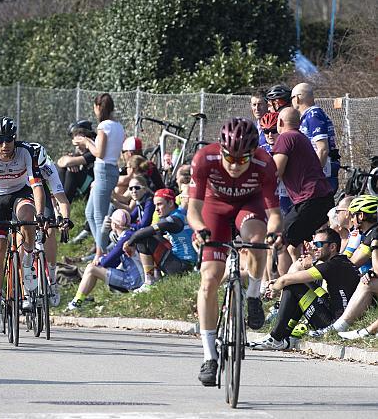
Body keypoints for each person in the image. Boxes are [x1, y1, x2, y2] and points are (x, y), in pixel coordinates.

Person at [187, 117, 282, 387]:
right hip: (213, 207)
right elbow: (193, 210)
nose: (235, 165)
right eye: (230, 158)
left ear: (254, 153)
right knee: (209, 280)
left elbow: (274, 214)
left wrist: (275, 232)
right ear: (222, 150)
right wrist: (200, 230)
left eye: (243, 160)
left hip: (248, 205)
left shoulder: (265, 164)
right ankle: (209, 357)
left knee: (256, 238)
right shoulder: (205, 159)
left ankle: (253, 294)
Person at [250, 228, 359, 350]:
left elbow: (285, 280)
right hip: (338, 314)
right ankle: (285, 334)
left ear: (332, 247)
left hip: (332, 322)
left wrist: (274, 288)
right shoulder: (340, 262)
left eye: (318, 244)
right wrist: (279, 282)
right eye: (313, 244)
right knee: (299, 283)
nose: (314, 248)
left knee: (292, 285)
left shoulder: (331, 266)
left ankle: (275, 337)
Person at [0, 117, 45, 334]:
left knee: (27, 216)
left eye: (8, 139)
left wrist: (40, 214)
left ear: (14, 138)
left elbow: (36, 186)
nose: (4, 145)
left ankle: (27, 265)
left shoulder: (25, 153)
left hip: (20, 195)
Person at [271, 107, 334, 273]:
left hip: (310, 200)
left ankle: (285, 290)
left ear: (280, 123)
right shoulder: (301, 137)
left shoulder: (285, 137)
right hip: (323, 198)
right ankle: (310, 290)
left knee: (281, 242)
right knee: (298, 248)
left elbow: (275, 171)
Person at [309, 195, 378, 337]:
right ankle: (340, 323)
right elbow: (349, 262)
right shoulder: (369, 234)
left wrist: (375, 248)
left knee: (367, 282)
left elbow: (370, 267)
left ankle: (340, 326)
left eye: (353, 215)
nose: (351, 219)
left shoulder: (375, 234)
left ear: (362, 216)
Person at [73, 93, 125, 262]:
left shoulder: (104, 127)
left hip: (104, 171)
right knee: (89, 212)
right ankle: (102, 250)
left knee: (99, 216)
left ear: (98, 107)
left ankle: (102, 254)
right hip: (109, 171)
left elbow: (99, 153)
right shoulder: (118, 126)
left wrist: (87, 142)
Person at [66, 209, 144, 310]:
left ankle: (76, 302)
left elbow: (107, 261)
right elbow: (114, 262)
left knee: (91, 268)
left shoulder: (125, 237)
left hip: (135, 281)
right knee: (93, 268)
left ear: (114, 225)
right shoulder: (128, 234)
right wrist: (102, 259)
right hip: (135, 277)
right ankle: (79, 300)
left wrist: (100, 259)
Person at [123, 188, 196, 290]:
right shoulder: (180, 212)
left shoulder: (173, 219)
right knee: (155, 236)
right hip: (188, 265)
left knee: (143, 239)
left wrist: (129, 243)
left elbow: (141, 233)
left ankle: (149, 281)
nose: (156, 209)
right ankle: (157, 277)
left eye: (159, 204)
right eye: (155, 205)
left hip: (182, 267)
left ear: (170, 203)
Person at [28, 142, 73, 306]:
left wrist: (65, 219)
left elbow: (61, 198)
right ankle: (23, 287)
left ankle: (52, 278)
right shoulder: (19, 161)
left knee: (50, 229)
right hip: (21, 192)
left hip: (43, 194)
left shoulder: (47, 166)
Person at [291, 82, 341, 193]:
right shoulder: (308, 116)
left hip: (322, 175)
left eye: (292, 98)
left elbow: (322, 149)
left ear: (297, 98)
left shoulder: (313, 115)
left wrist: (313, 176)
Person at [56, 120, 96, 203]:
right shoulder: (77, 153)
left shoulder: (92, 153)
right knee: (63, 169)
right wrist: (70, 163)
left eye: (79, 142)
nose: (78, 147)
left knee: (71, 172)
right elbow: (60, 162)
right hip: (80, 187)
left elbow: (67, 162)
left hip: (89, 188)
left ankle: (64, 202)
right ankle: (58, 199)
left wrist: (70, 163)